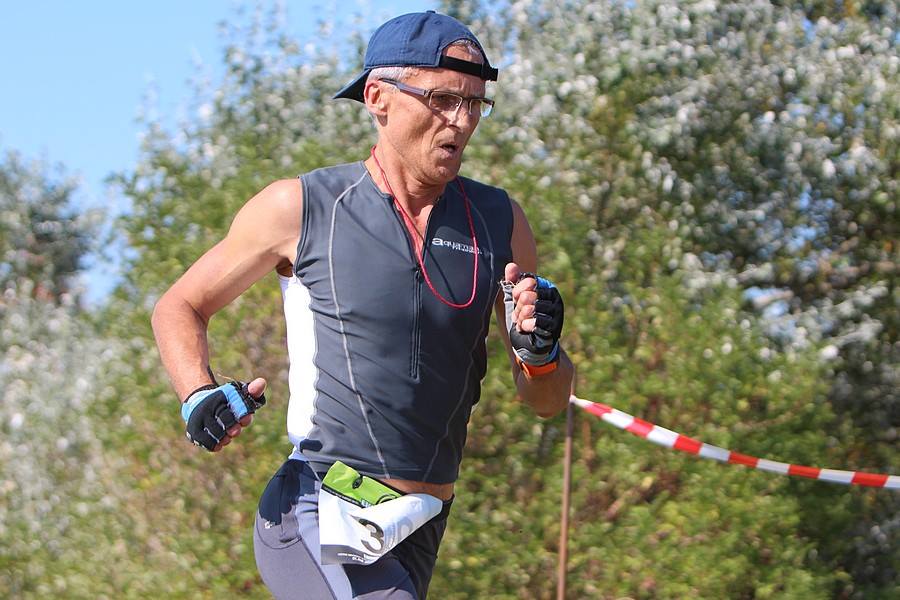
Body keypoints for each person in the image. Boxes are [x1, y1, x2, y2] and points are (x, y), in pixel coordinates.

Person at [151, 10, 574, 600]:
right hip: (320, 503)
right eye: (443, 100)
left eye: (475, 104)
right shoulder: (303, 206)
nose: (461, 121)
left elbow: (547, 401)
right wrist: (198, 392)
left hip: (422, 522)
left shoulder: (500, 222)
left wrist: (542, 354)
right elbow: (180, 305)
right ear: (378, 97)